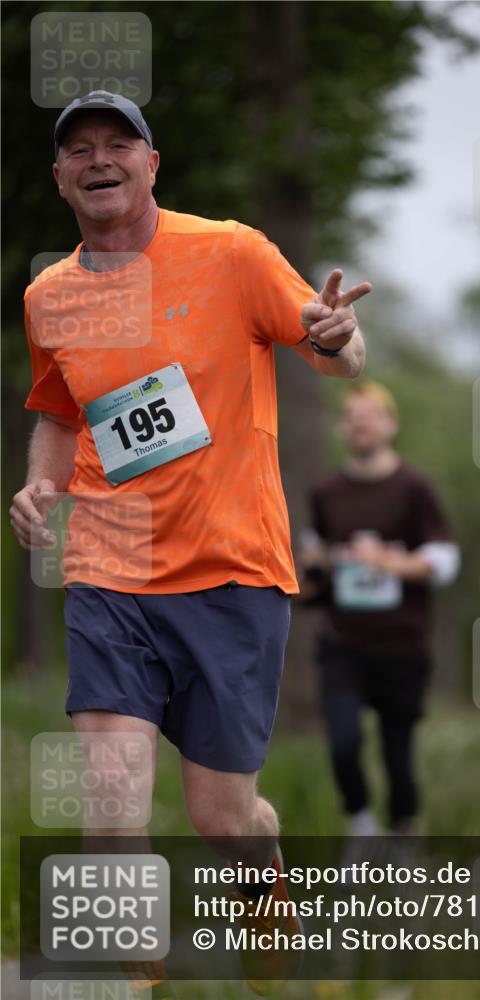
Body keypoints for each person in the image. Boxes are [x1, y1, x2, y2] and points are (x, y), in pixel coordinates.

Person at [9, 91, 371, 997]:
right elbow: (58, 407)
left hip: (232, 572)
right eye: (79, 150)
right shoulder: (49, 296)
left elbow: (330, 348)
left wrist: (339, 337)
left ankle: (264, 880)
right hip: (107, 568)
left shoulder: (232, 253)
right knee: (111, 807)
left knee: (220, 814)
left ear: (152, 164)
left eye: (117, 145)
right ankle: (134, 978)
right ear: (60, 178)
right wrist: (41, 485)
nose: (99, 160)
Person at [299, 382, 460, 837]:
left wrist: (386, 562)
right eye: (352, 416)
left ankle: (405, 835)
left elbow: (445, 562)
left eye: (370, 415)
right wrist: (322, 565)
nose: (360, 424)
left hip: (402, 643)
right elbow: (318, 556)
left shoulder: (415, 487)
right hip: (343, 642)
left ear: (390, 424)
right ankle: (362, 827)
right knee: (342, 741)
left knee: (397, 751)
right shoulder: (326, 491)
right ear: (342, 427)